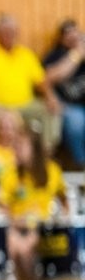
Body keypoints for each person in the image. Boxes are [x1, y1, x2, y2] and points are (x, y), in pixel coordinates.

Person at [3, 123, 69, 280]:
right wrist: (14, 221)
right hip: (17, 227)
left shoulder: (51, 171)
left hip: (44, 228)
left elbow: (64, 200)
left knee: (27, 250)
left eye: (22, 145)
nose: (17, 149)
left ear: (35, 148)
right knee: (13, 246)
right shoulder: (12, 174)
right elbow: (4, 206)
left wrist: (60, 219)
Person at [0, 14, 61, 152]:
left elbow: (41, 81)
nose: (9, 35)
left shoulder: (25, 54)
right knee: (1, 118)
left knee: (50, 111)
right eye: (5, 31)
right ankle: (2, 156)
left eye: (13, 32)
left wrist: (50, 96)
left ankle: (45, 154)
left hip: (26, 105)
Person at [43, 19, 85, 169]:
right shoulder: (54, 55)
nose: (72, 36)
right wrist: (76, 56)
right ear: (61, 39)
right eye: (67, 33)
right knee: (76, 123)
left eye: (75, 31)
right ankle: (81, 164)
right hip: (68, 105)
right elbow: (50, 78)